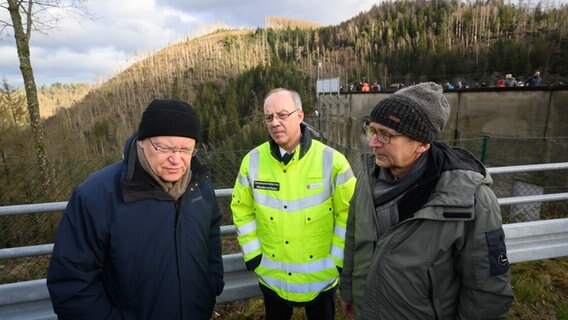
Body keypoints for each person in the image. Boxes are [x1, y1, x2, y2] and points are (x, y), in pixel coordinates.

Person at [339, 82, 513, 319]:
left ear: (422, 144)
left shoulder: (470, 200)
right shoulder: (367, 177)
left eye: (386, 135)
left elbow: (487, 289)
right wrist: (348, 289)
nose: (373, 143)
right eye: (372, 130)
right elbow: (354, 236)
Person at [47, 99, 225, 319]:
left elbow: (211, 234)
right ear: (142, 142)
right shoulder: (96, 196)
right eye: (164, 148)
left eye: (186, 149)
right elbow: (72, 283)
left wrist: (212, 283)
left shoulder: (199, 183)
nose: (176, 159)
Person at [231, 88, 356, 320]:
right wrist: (254, 256)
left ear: (300, 115)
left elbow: (348, 215)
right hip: (273, 275)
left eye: (282, 115)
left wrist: (337, 262)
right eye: (269, 117)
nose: (275, 122)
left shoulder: (333, 161)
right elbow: (241, 209)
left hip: (321, 277)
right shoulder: (252, 162)